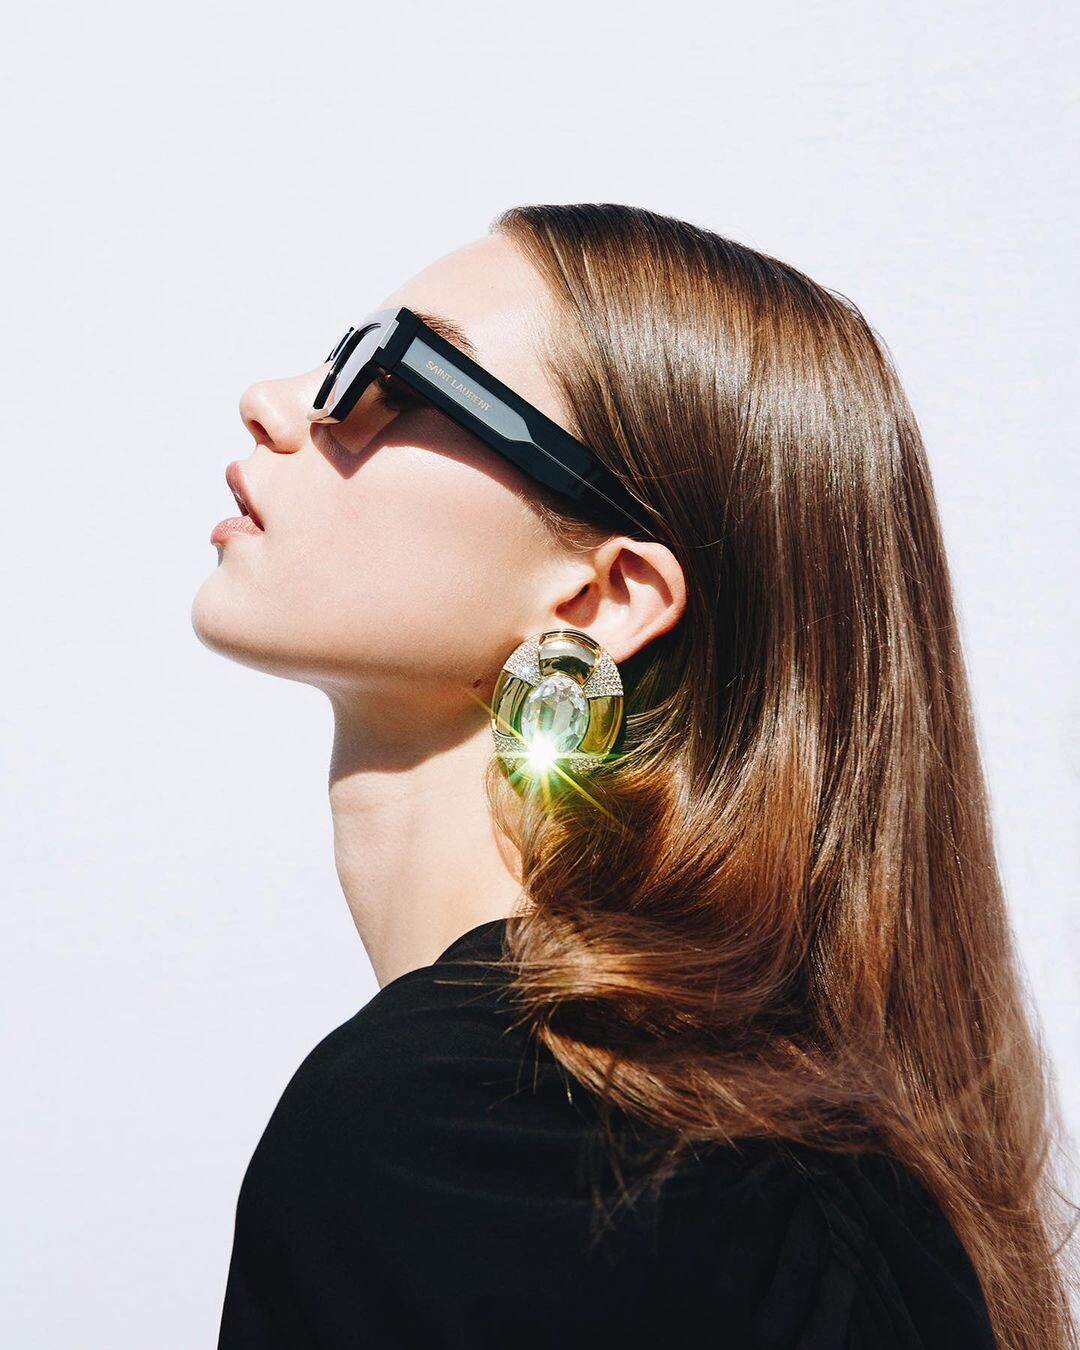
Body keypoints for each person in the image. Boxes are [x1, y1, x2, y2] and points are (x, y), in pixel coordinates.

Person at [191, 203, 1076, 1349]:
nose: (276, 403)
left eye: (395, 377)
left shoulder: (469, 1139)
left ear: (604, 598)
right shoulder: (787, 1176)